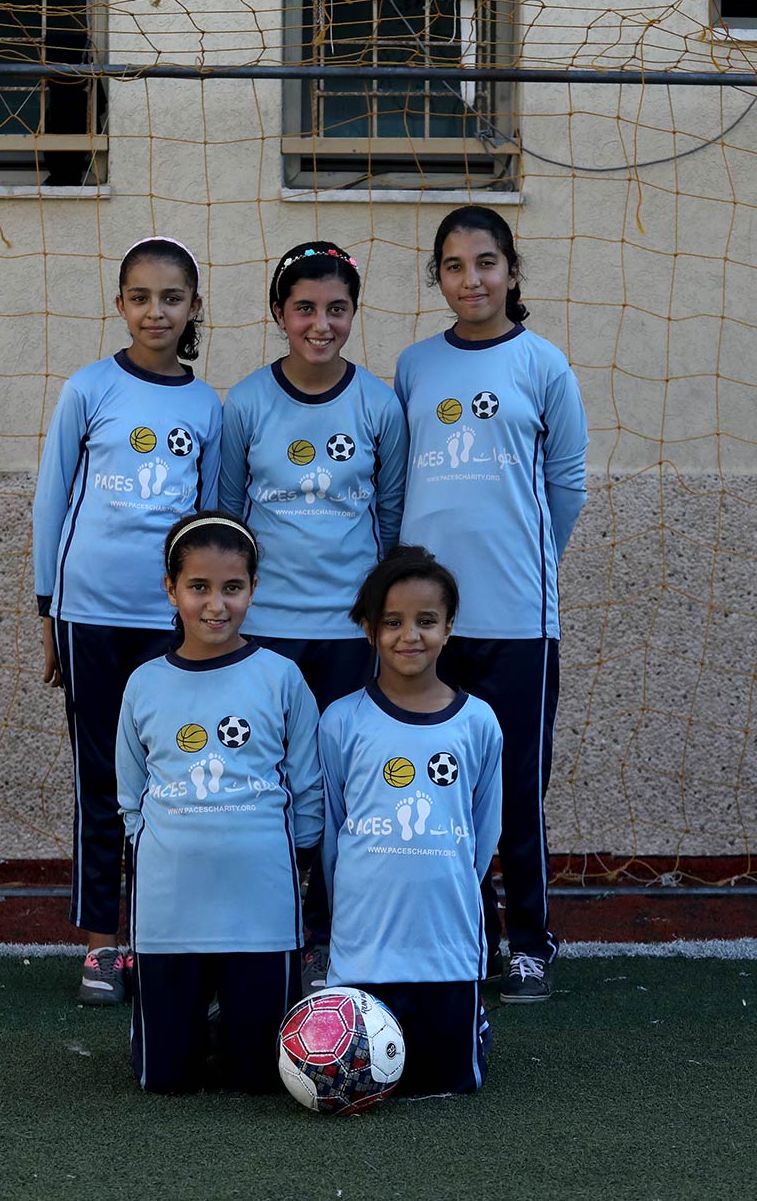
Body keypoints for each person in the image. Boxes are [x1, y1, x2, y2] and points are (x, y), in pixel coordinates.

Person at [393, 206, 588, 1003]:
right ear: (437, 278)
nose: (469, 279)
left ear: (512, 269)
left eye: (485, 262)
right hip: (426, 627)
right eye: (452, 265)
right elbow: (399, 485)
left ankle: (532, 943)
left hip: (516, 619)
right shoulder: (413, 366)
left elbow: (565, 486)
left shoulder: (544, 365)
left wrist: (527, 559)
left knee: (514, 790)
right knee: (438, 787)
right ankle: (462, 939)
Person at [32, 236, 223, 1005]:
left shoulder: (207, 405)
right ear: (120, 305)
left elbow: (212, 525)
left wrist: (207, 619)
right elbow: (52, 502)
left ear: (193, 309)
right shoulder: (88, 389)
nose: (156, 311)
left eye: (171, 298)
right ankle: (101, 943)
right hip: (90, 616)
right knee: (102, 780)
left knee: (174, 781)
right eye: (141, 297)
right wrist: (48, 610)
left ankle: (162, 938)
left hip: (170, 625)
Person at [219, 240, 407, 989]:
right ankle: (265, 926)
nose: (321, 324)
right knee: (264, 782)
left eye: (336, 309)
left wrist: (381, 622)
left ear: (354, 314)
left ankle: (332, 933)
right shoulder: (246, 403)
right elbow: (225, 520)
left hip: (345, 633)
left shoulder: (379, 403)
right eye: (305, 309)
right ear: (278, 314)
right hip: (264, 635)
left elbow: (391, 521)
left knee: (337, 789)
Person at [115, 512, 323, 1093]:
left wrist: (293, 865)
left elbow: (307, 790)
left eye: (232, 588)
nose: (216, 604)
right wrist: (155, 849)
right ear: (171, 589)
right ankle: (193, 1025)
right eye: (198, 587)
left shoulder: (281, 678)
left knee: (259, 1080)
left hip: (260, 909)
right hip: (169, 910)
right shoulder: (144, 683)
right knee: (165, 1081)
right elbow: (130, 794)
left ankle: (233, 1022)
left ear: (253, 589)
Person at [318, 546, 501, 1094]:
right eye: (392, 622)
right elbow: (333, 830)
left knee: (445, 1086)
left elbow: (483, 833)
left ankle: (472, 1019)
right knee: (362, 1087)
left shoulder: (478, 722)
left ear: (449, 627)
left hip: (445, 947)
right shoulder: (342, 720)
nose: (409, 636)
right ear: (369, 628)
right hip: (363, 950)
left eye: (426, 621)